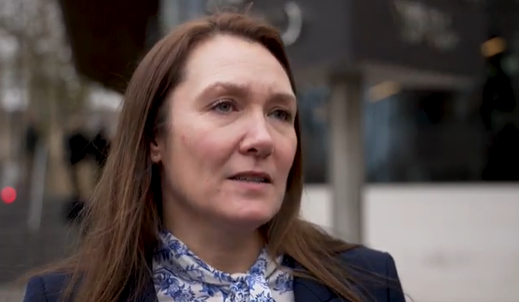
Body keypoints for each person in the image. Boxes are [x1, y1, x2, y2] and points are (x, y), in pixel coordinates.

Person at [23, 12, 405, 302]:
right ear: (155, 138)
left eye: (280, 113)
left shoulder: (369, 283)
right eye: (224, 106)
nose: (262, 138)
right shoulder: (62, 296)